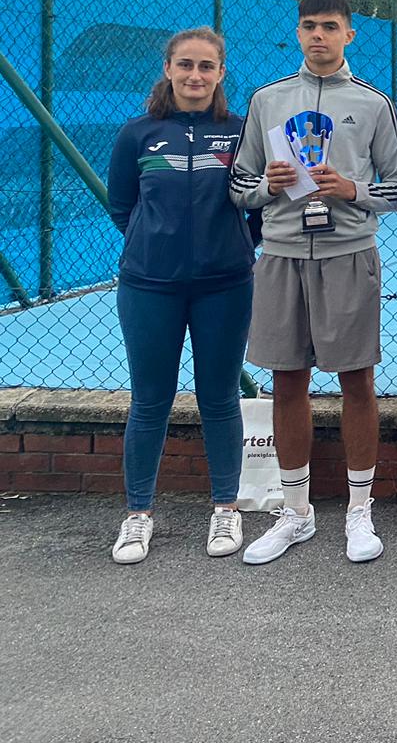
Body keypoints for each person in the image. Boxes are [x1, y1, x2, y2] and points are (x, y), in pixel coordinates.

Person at [229, 0, 397, 566]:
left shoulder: (374, 104)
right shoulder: (267, 100)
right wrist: (270, 187)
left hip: (348, 253)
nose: (318, 36)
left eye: (330, 26)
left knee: (357, 380)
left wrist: (351, 190)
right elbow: (239, 186)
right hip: (281, 254)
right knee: (288, 381)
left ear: (349, 35)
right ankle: (296, 511)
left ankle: (360, 510)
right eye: (309, 26)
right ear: (298, 33)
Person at [106, 28, 256, 564]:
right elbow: (122, 204)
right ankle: (138, 515)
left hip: (225, 286)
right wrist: (157, 245)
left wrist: (232, 247)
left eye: (206, 67)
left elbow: (256, 209)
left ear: (221, 74)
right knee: (150, 401)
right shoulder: (138, 134)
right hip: (149, 286)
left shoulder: (240, 133)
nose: (195, 75)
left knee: (219, 399)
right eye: (185, 65)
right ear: (168, 69)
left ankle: (225, 507)